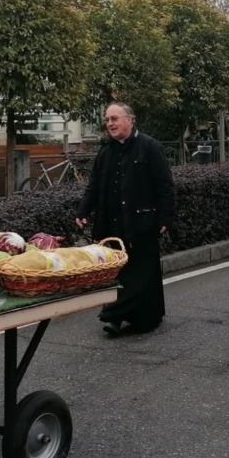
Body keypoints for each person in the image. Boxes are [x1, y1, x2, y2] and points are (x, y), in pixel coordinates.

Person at [76, 103, 176, 337]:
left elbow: (165, 186)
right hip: (110, 223)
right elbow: (93, 185)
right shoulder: (105, 151)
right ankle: (115, 317)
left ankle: (145, 317)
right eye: (107, 119)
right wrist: (82, 211)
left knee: (143, 272)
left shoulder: (151, 147)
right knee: (117, 272)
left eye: (115, 118)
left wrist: (166, 217)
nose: (110, 123)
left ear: (130, 120)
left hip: (141, 221)